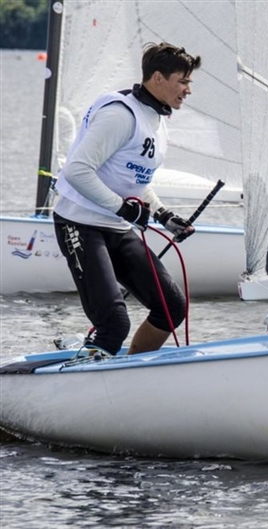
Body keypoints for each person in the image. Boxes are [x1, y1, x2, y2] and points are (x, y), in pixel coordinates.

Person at [52, 42, 201, 356]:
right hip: (79, 223)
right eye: (183, 81)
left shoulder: (156, 120)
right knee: (115, 324)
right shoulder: (120, 115)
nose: (188, 90)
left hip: (116, 227)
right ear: (157, 78)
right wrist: (123, 208)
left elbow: (133, 181)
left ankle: (132, 371)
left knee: (172, 307)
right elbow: (76, 171)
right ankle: (87, 377)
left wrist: (163, 215)